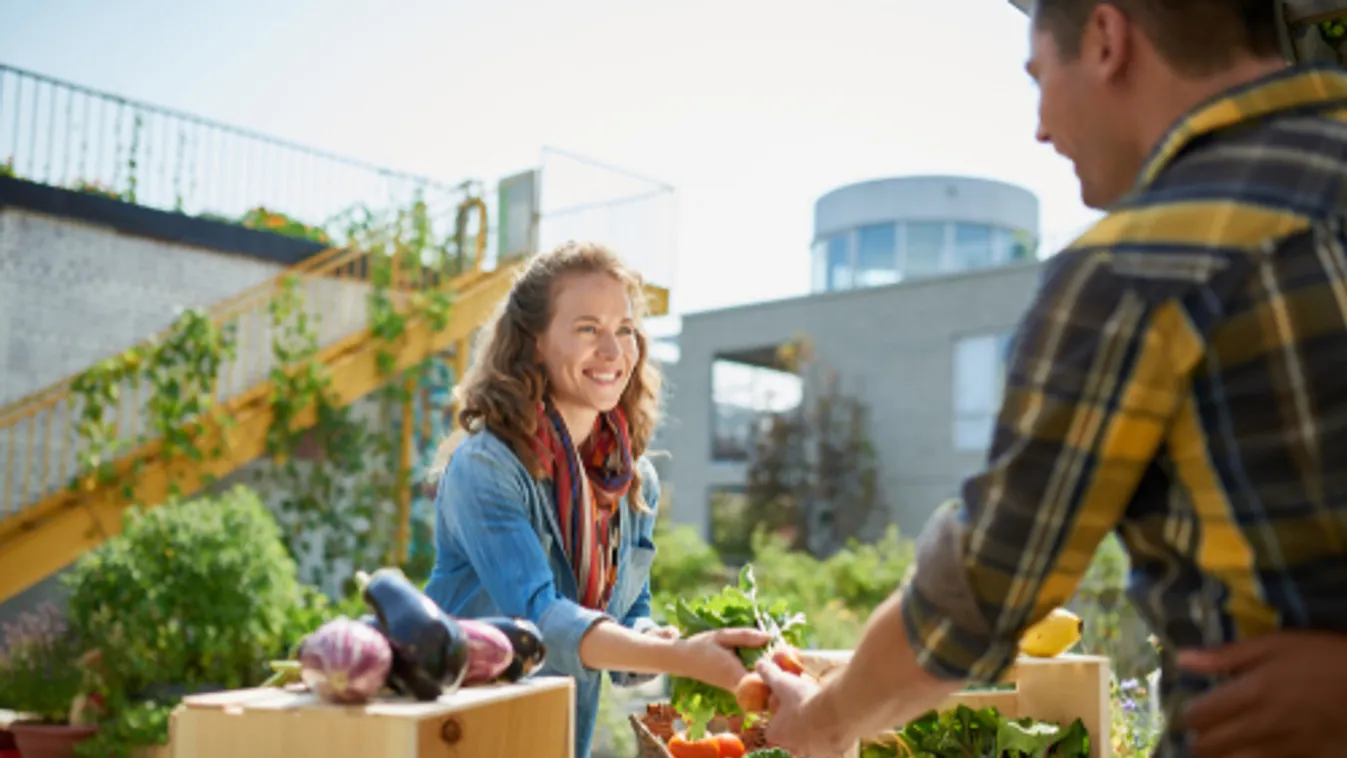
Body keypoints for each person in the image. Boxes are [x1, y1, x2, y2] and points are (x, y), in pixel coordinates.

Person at [754, 2, 1347, 757]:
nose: (1038, 127)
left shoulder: (1141, 265)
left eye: (1038, 78)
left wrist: (821, 719)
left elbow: (982, 591)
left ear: (1105, 37)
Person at [424, 241, 768, 758]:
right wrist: (681, 657)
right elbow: (537, 623)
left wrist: (672, 641)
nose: (613, 352)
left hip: (562, 740)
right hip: (463, 736)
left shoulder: (632, 481)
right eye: (588, 329)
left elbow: (628, 620)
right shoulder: (487, 467)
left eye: (624, 330)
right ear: (534, 342)